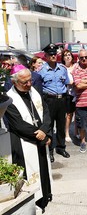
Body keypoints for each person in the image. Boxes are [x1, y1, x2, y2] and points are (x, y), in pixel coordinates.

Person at [5, 66, 52, 212]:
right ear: (15, 82)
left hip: (41, 139)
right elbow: (18, 124)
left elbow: (46, 112)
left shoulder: (34, 92)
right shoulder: (9, 99)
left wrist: (45, 131)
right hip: (24, 142)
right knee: (29, 172)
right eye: (24, 82)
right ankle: (34, 202)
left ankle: (44, 196)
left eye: (30, 80)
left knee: (43, 169)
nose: (29, 84)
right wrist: (40, 136)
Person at [38, 43, 70, 163]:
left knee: (61, 125)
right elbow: (39, 87)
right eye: (50, 54)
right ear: (46, 56)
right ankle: (50, 150)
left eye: (55, 54)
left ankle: (61, 148)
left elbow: (66, 83)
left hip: (61, 99)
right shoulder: (41, 70)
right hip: (49, 100)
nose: (53, 56)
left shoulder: (62, 68)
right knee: (49, 125)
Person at [61, 49, 76, 143]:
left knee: (77, 113)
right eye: (65, 55)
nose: (67, 56)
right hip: (66, 94)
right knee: (69, 115)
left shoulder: (76, 67)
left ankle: (76, 132)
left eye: (69, 55)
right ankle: (66, 133)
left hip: (76, 93)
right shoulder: (61, 68)